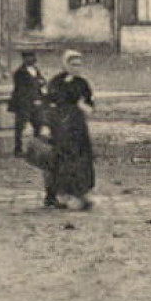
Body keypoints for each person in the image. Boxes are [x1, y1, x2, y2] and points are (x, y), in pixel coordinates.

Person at [41, 50, 96, 210]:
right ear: (65, 64)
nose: (76, 68)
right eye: (73, 64)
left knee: (81, 158)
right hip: (59, 125)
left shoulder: (82, 84)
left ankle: (82, 193)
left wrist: (84, 107)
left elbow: (90, 104)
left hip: (78, 126)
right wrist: (46, 125)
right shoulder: (56, 82)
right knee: (60, 159)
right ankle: (58, 195)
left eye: (79, 65)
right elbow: (47, 104)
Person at [8, 48, 46, 156]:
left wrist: (40, 97)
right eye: (28, 57)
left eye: (32, 57)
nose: (31, 59)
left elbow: (42, 82)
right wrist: (32, 99)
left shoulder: (36, 70)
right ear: (24, 59)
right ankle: (18, 149)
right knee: (20, 127)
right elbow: (21, 90)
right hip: (23, 104)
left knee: (38, 125)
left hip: (36, 103)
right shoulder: (20, 73)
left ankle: (35, 149)